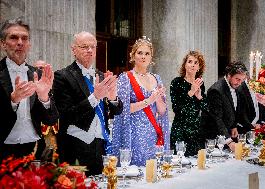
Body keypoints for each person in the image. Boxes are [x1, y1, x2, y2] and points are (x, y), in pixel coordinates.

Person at [53, 31, 123, 175]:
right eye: (84, 46)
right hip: (75, 145)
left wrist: (113, 98)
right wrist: (95, 97)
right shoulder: (62, 76)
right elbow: (66, 115)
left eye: (93, 47)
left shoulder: (101, 75)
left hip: (101, 145)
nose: (89, 50)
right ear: (74, 50)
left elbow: (117, 111)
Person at [0, 18, 58, 161]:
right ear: (3, 44)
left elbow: (51, 120)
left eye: (24, 38)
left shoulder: (37, 75)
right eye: (13, 37)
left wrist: (44, 98)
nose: (20, 42)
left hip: (34, 149)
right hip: (3, 151)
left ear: (29, 44)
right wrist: (13, 101)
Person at [112, 36, 170, 166]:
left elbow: (162, 112)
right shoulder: (125, 78)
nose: (143, 56)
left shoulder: (157, 78)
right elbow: (123, 109)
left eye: (147, 53)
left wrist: (159, 99)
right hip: (133, 135)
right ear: (133, 56)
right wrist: (149, 100)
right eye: (140, 53)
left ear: (151, 58)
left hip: (153, 134)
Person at [201, 61, 248, 151]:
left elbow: (233, 110)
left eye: (242, 80)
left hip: (227, 135)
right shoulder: (216, 90)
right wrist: (229, 141)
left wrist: (234, 126)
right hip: (214, 139)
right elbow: (217, 118)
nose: (240, 83)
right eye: (237, 79)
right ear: (229, 75)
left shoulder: (236, 86)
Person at [170, 50, 207, 156]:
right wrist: (191, 92)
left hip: (196, 132)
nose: (193, 65)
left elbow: (206, 108)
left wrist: (199, 97)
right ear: (185, 65)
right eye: (190, 61)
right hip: (180, 131)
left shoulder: (200, 83)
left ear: (199, 67)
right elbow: (177, 109)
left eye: (196, 63)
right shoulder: (176, 82)